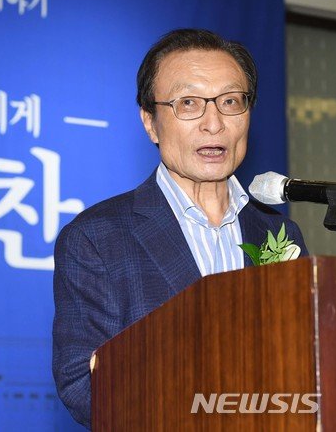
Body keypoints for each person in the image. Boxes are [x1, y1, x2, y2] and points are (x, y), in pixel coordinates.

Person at [52, 28, 308, 429]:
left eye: (230, 102)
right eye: (188, 103)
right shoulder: (97, 237)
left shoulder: (280, 234)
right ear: (150, 123)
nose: (214, 123)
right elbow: (84, 385)